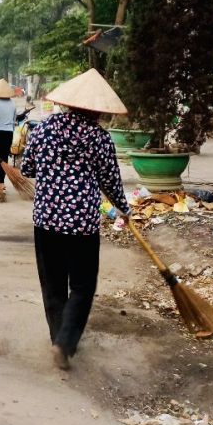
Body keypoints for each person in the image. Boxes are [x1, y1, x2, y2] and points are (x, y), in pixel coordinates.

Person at [21, 68, 130, 372]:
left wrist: (51, 170)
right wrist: (124, 209)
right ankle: (67, 342)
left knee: (53, 284)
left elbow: (27, 168)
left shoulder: (43, 130)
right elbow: (110, 181)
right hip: (82, 224)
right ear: (97, 109)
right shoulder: (100, 138)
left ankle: (58, 338)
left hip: (47, 220)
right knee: (82, 286)